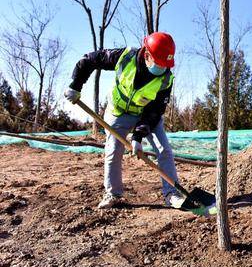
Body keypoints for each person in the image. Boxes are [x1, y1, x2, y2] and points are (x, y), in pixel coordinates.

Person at [64, 32, 185, 210]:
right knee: (113, 150)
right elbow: (90, 60)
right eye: (159, 63)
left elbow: (155, 110)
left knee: (164, 149)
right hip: (119, 113)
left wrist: (137, 136)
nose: (162, 68)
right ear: (147, 54)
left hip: (147, 115)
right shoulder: (125, 57)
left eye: (165, 64)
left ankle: (172, 194)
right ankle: (113, 193)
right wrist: (75, 85)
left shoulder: (166, 78)